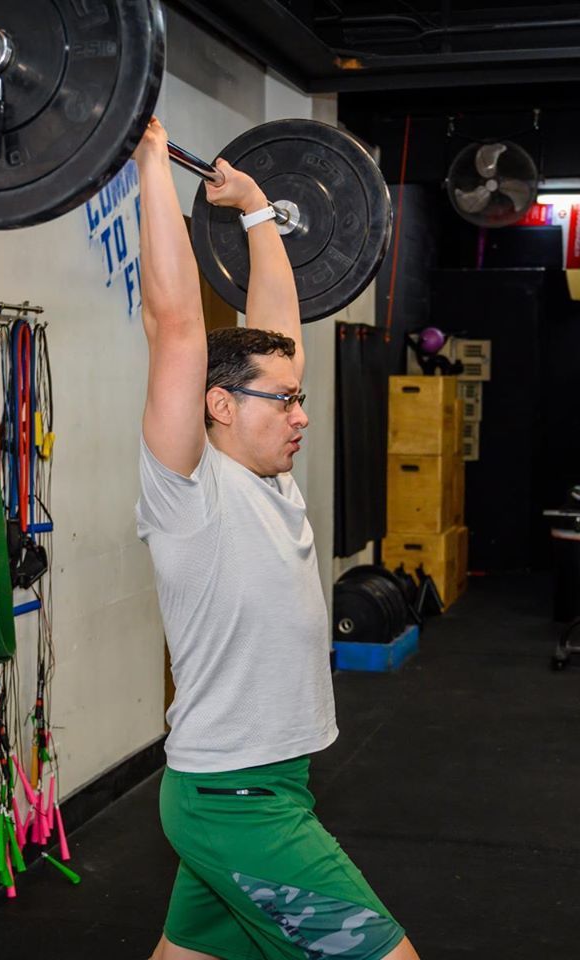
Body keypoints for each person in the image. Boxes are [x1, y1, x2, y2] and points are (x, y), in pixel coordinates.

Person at [133, 118, 421, 960]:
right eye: (283, 402)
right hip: (236, 799)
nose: (302, 415)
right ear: (220, 407)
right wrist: (151, 166)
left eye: (299, 400)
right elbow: (178, 327)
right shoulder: (189, 491)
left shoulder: (271, 480)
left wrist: (258, 211)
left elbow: (278, 334)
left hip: (270, 784)